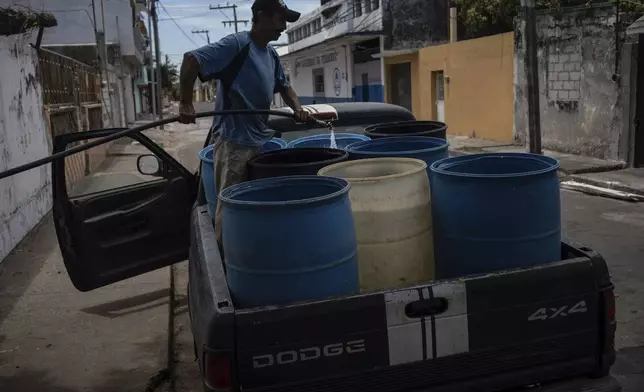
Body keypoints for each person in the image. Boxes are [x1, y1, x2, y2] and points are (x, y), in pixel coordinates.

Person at [178, 0, 311, 248]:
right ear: (260, 16)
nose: (283, 27)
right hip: (234, 145)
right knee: (230, 212)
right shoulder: (237, 45)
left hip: (260, 141)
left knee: (255, 211)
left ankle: (252, 253)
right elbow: (191, 60)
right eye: (280, 20)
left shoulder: (270, 54)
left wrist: (298, 108)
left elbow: (284, 86)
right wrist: (185, 102)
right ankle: (225, 266)